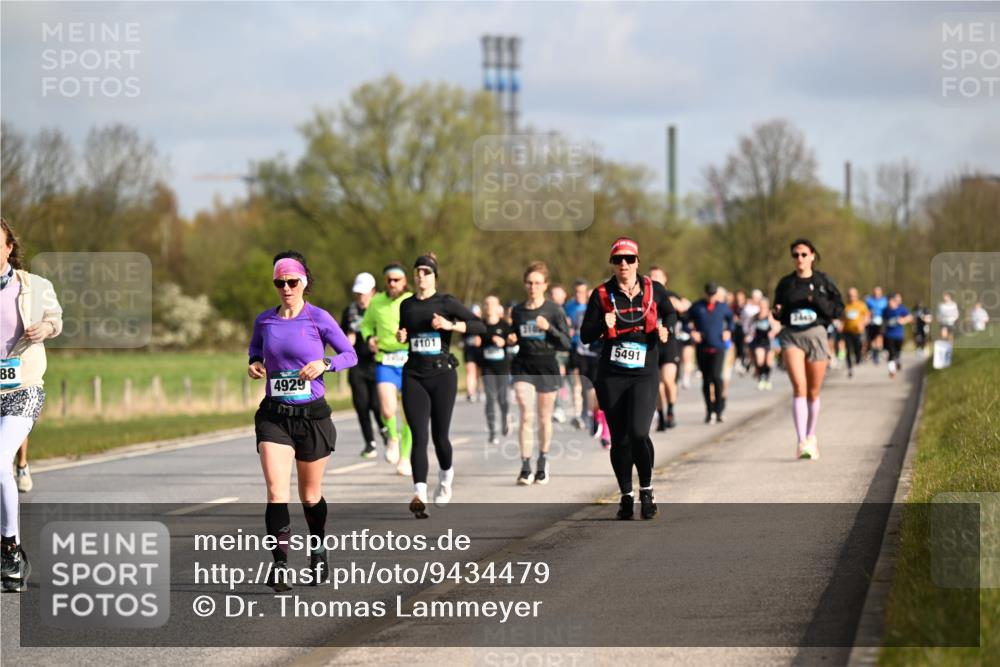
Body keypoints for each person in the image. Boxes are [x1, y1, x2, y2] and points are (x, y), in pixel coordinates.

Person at [248, 251, 357, 590]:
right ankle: (279, 565)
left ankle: (318, 549)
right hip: (275, 416)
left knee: (310, 496)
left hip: (312, 417)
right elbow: (255, 352)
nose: (286, 288)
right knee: (276, 491)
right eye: (279, 283)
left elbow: (349, 354)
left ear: (304, 283)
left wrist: (325, 364)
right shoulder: (264, 321)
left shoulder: (318, 318)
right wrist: (254, 365)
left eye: (292, 282)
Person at [580, 238, 674, 520]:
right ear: (612, 263)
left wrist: (665, 328)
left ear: (637, 261)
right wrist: (601, 324)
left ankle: (646, 491)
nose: (624, 264)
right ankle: (626, 495)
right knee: (620, 439)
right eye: (618, 259)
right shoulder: (600, 295)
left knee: (639, 433)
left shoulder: (654, 289)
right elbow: (585, 335)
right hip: (612, 374)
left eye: (629, 259)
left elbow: (670, 312)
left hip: (644, 371)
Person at [397, 253, 485, 518]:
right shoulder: (407, 305)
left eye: (426, 271)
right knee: (418, 436)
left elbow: (479, 326)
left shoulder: (446, 302)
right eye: (418, 271)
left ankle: (446, 478)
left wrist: (450, 325)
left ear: (435, 275)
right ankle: (420, 493)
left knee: (439, 437)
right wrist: (402, 335)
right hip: (414, 374)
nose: (421, 275)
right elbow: (405, 332)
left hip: (443, 375)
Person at [1, 218, 62, 592]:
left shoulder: (33, 286)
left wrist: (45, 329)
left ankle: (10, 548)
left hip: (22, 388)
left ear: (9, 247)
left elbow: (55, 319)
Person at [773, 239, 844, 460]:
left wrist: (815, 301)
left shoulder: (823, 281)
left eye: (804, 254)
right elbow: (777, 311)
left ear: (813, 255)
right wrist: (777, 311)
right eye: (795, 255)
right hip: (791, 336)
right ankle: (801, 440)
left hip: (816, 335)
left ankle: (811, 435)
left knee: (813, 391)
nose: (799, 259)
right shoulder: (786, 283)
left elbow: (838, 309)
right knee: (799, 387)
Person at [509, 261, 572, 485]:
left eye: (537, 282)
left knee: (544, 418)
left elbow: (566, 343)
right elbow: (513, 334)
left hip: (547, 366)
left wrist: (549, 328)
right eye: (529, 282)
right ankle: (525, 466)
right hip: (523, 365)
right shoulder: (518, 311)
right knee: (526, 414)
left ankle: (542, 462)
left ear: (545, 285)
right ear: (524, 284)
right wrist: (511, 338)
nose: (532, 286)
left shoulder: (554, 311)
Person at [360, 264, 414, 475]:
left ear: (404, 281)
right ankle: (392, 437)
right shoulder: (376, 302)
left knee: (409, 414)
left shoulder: (411, 300)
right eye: (389, 280)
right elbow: (366, 325)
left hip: (410, 361)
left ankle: (405, 458)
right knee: (387, 409)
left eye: (396, 280)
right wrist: (369, 338)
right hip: (385, 360)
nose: (392, 283)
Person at [342, 272, 384, 459]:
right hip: (356, 365)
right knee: (361, 405)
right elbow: (339, 337)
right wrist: (346, 341)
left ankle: (384, 429)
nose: (360, 297)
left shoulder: (380, 310)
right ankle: (370, 443)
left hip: (377, 363)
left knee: (376, 404)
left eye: (364, 293)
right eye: (358, 293)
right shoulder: (349, 312)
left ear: (373, 292)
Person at [649, 266, 689, 430]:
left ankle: (671, 409)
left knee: (668, 380)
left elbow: (684, 310)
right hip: (653, 345)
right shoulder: (645, 296)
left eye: (658, 275)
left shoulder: (670, 295)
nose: (655, 278)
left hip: (670, 344)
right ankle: (661, 415)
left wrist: (679, 305)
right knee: (657, 384)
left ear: (665, 279)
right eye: (652, 275)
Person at [687, 283, 734, 424]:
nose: (711, 297)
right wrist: (692, 332)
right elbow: (684, 320)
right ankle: (709, 411)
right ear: (705, 293)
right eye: (709, 294)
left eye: (713, 294)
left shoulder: (723, 307)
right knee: (706, 380)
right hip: (702, 348)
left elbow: (731, 321)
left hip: (718, 347)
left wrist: (728, 331)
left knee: (716, 377)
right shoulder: (697, 306)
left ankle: (719, 409)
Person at [479, 295, 512, 446]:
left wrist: (504, 341)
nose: (489, 306)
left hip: (502, 367)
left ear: (498, 306)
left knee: (503, 398)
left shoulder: (504, 325)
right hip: (487, 368)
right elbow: (474, 345)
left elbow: (512, 342)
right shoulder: (480, 325)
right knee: (490, 399)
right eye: (487, 303)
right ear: (484, 307)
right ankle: (492, 432)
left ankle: (505, 417)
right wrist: (477, 343)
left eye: (492, 303)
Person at [563, 279, 590, 431]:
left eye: (582, 291)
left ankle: (586, 412)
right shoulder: (569, 307)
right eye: (577, 292)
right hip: (574, 347)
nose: (579, 294)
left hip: (589, 349)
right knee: (576, 382)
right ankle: (579, 413)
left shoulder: (592, 305)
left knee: (586, 383)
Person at [549, 283, 572, 425]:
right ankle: (558, 408)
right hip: (556, 350)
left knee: (574, 382)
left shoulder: (571, 308)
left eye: (557, 293)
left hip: (574, 349)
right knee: (557, 378)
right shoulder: (548, 310)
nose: (554, 296)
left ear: (564, 295)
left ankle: (581, 411)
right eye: (552, 293)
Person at [840, 287, 870, 379]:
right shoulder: (846, 306)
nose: (851, 297)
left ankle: (858, 358)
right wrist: (841, 325)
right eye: (849, 295)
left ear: (857, 295)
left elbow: (867, 317)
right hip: (847, 331)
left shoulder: (861, 305)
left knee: (858, 346)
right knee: (848, 350)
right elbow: (842, 319)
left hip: (858, 331)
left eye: (853, 295)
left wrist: (863, 323)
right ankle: (849, 368)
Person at [749, 298, 779, 390]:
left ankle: (767, 379)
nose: (762, 308)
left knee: (769, 362)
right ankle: (761, 378)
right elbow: (750, 328)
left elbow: (777, 327)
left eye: (764, 306)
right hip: (759, 341)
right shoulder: (755, 317)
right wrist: (749, 335)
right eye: (761, 306)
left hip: (770, 342)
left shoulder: (771, 316)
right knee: (759, 359)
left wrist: (773, 331)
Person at [882, 293, 912, 379]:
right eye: (888, 302)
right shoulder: (885, 311)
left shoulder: (901, 309)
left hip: (899, 335)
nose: (890, 304)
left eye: (891, 302)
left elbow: (910, 317)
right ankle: (892, 371)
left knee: (897, 352)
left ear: (895, 302)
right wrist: (881, 333)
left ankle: (898, 361)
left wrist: (903, 320)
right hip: (889, 335)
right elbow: (883, 322)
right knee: (891, 353)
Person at [461, 303, 483, 403]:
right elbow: (462, 339)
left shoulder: (483, 323)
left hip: (480, 350)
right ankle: (470, 393)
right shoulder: (466, 325)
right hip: (469, 350)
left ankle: (480, 390)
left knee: (479, 372)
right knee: (470, 371)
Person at [865, 286, 888, 363]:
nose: (876, 294)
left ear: (881, 293)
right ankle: (874, 353)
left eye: (878, 293)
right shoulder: (869, 300)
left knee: (879, 337)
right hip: (871, 322)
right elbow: (865, 310)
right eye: (875, 293)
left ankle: (878, 354)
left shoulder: (885, 300)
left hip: (881, 321)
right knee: (872, 340)